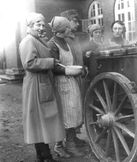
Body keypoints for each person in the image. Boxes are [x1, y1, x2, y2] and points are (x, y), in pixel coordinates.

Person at [19, 12, 65, 162]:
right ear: (30, 26)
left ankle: (42, 155)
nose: (41, 27)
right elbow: (29, 63)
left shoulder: (38, 40)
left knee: (42, 121)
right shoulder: (28, 41)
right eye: (38, 24)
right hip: (35, 86)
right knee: (38, 121)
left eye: (42, 23)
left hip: (43, 84)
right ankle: (46, 156)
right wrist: (51, 62)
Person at [48, 16, 84, 158]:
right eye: (68, 27)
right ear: (62, 29)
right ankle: (63, 145)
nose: (71, 29)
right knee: (66, 114)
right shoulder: (52, 45)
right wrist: (66, 70)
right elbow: (52, 66)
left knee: (74, 111)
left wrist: (78, 69)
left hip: (71, 81)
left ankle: (71, 140)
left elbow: (69, 61)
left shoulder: (65, 41)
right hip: (61, 83)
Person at [60, 9, 87, 146]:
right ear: (66, 22)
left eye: (77, 21)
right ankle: (68, 140)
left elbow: (78, 56)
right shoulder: (63, 40)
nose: (77, 24)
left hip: (78, 76)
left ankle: (74, 135)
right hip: (69, 77)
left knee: (77, 107)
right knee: (69, 108)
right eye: (74, 21)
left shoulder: (74, 37)